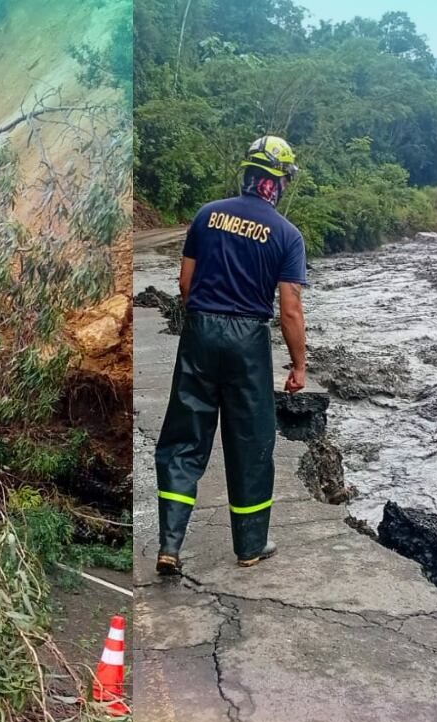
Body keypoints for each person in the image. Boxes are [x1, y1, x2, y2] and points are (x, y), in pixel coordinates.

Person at [154, 135, 308, 576]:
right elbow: (290, 308)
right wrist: (298, 365)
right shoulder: (286, 235)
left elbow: (186, 284)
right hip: (248, 342)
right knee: (251, 443)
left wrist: (205, 325)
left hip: (200, 332)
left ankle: (169, 544)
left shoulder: (207, 215)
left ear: (247, 173)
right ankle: (250, 546)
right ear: (277, 181)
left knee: (184, 438)